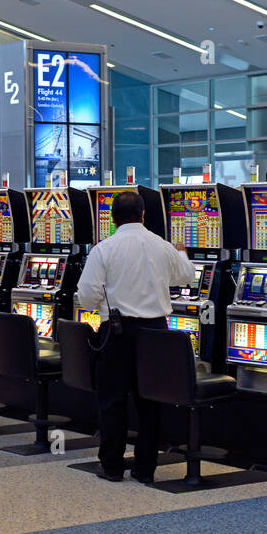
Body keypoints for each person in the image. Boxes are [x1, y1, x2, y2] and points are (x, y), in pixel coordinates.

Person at [76, 190, 195, 484]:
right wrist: (181, 252)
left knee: (113, 400)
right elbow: (187, 277)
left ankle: (113, 465)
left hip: (117, 331)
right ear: (143, 215)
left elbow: (87, 298)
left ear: (112, 219)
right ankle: (145, 468)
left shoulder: (104, 249)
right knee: (150, 401)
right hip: (156, 332)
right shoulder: (162, 245)